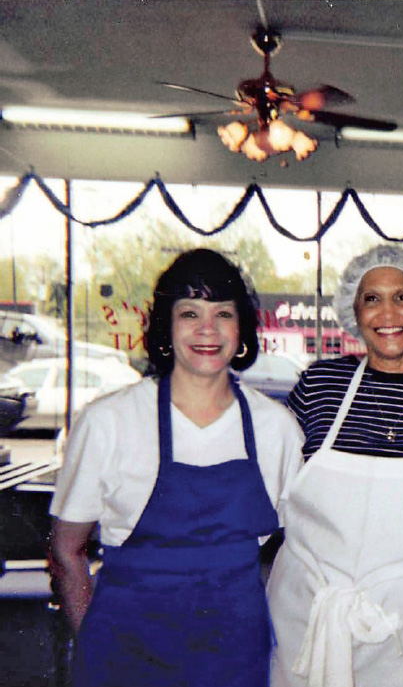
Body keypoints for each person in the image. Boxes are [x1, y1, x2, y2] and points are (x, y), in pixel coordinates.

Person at [48, 248, 304, 687]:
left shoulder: (275, 429)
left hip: (236, 655)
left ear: (241, 328)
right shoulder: (108, 421)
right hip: (125, 653)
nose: (207, 329)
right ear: (165, 326)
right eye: (190, 313)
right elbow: (66, 550)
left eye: (222, 313)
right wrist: (95, 641)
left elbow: (300, 546)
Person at [268, 245, 403, 687]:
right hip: (310, 610)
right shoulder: (319, 385)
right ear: (354, 311)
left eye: (402, 297)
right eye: (372, 298)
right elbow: (277, 484)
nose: (388, 312)